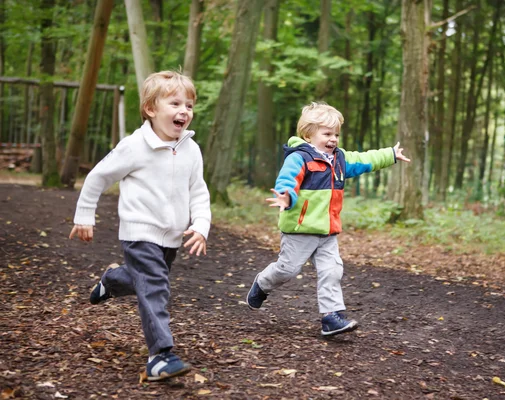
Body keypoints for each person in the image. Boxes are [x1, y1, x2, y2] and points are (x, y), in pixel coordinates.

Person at [69, 71, 211, 381]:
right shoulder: (135, 146)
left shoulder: (191, 149)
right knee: (156, 286)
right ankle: (160, 355)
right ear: (150, 109)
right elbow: (98, 177)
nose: (184, 111)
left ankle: (112, 281)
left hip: (172, 237)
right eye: (175, 103)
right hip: (139, 232)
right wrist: (84, 215)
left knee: (145, 281)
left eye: (189, 105)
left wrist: (201, 225)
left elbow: (199, 191)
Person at [246, 101, 411, 336]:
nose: (333, 139)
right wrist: (286, 196)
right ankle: (262, 283)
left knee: (332, 271)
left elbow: (365, 160)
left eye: (336, 134)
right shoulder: (299, 157)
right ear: (308, 134)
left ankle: (331, 317)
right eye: (327, 134)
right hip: (300, 229)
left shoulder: (340, 160)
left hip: (327, 231)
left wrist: (390, 154)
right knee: (288, 270)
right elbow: (288, 179)